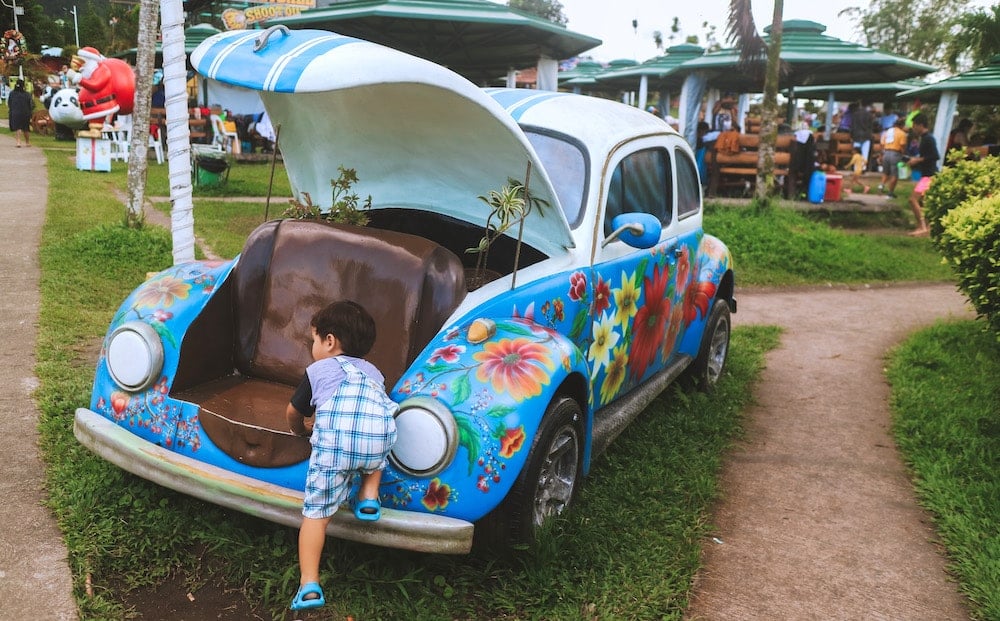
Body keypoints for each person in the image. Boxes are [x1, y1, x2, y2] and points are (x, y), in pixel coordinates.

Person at [285, 300, 398, 611]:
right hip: (377, 440)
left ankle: (309, 584)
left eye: (313, 340)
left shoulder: (318, 370)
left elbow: (293, 412)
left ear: (329, 341)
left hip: (335, 451)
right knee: (375, 438)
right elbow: (372, 414)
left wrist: (299, 430)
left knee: (316, 516)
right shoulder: (375, 373)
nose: (313, 347)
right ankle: (369, 495)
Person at [906, 113, 939, 236]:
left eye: (914, 125)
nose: (913, 128)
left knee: (913, 200)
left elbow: (935, 156)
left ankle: (922, 226)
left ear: (920, 125)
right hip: (927, 174)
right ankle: (927, 227)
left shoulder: (928, 138)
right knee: (924, 203)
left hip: (928, 176)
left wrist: (918, 160)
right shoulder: (925, 138)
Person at [879, 117, 908, 198]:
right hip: (895, 154)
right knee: (894, 174)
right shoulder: (902, 134)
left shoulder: (887, 132)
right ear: (902, 125)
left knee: (885, 173)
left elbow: (882, 144)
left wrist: (881, 155)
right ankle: (890, 193)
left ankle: (881, 186)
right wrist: (903, 155)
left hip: (886, 153)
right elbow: (902, 146)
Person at [7, 79, 34, 148]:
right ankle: (27, 142)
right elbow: (31, 105)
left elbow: (9, 103)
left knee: (18, 127)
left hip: (15, 112)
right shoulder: (27, 94)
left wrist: (11, 110)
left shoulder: (12, 93)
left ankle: (18, 142)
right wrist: (30, 112)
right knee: (26, 128)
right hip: (25, 112)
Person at [850, 101, 874, 170]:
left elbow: (852, 126)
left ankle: (856, 167)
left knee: (856, 153)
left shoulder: (855, 114)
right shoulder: (869, 115)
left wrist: (851, 136)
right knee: (865, 153)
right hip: (866, 136)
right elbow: (871, 127)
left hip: (856, 136)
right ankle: (863, 168)